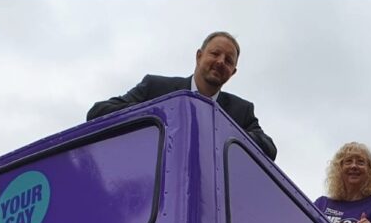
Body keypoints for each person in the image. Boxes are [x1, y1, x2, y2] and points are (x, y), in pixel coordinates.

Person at [86, 31, 277, 161]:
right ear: (199, 56)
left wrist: (221, 127)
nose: (220, 62)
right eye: (215, 54)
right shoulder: (156, 87)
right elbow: (98, 112)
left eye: (228, 61)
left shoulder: (241, 110)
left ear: (233, 72)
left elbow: (269, 149)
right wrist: (160, 113)